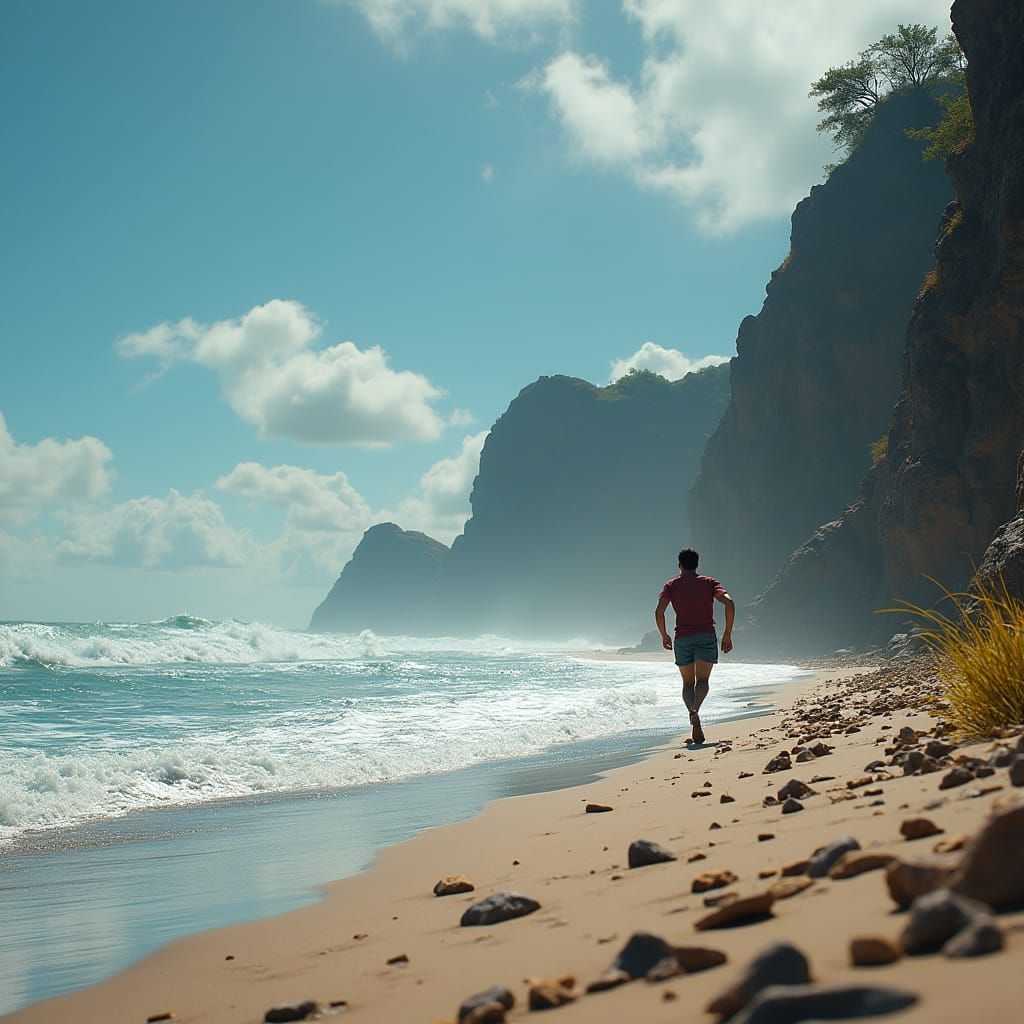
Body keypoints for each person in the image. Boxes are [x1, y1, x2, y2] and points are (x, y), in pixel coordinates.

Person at [655, 547, 735, 744]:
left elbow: (659, 611)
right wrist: (727, 633)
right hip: (706, 636)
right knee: (703, 681)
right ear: (697, 564)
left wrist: (664, 635)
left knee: (687, 683)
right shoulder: (709, 583)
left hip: (682, 638)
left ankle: (691, 712)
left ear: (679, 564)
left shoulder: (671, 585)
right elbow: (729, 603)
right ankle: (695, 709)